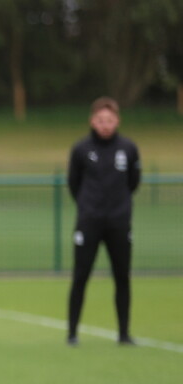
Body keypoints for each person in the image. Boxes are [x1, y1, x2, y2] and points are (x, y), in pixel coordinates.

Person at [66, 96, 141, 346]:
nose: (105, 124)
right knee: (80, 276)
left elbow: (133, 182)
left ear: (117, 120)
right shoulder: (81, 150)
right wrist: (89, 207)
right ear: (92, 121)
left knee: (122, 277)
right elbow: (73, 184)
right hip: (89, 222)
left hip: (119, 222)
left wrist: (117, 208)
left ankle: (124, 333)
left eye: (109, 120)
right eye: (100, 120)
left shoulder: (128, 149)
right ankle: (72, 333)